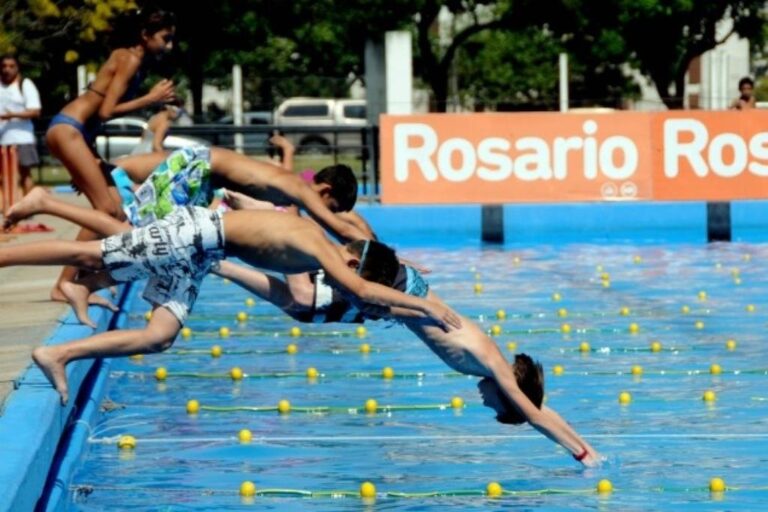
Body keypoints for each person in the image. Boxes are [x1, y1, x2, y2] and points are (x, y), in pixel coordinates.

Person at [0, 207, 461, 406]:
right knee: (88, 255)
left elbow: (370, 269)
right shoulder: (322, 250)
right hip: (193, 234)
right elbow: (364, 294)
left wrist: (405, 270)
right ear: (354, 263)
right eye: (356, 273)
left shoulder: (339, 249)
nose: (349, 283)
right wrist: (423, 308)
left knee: (158, 337)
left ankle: (57, 354)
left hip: (202, 254)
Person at [210, 261, 601, 467]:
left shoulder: (491, 365)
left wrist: (585, 444)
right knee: (302, 296)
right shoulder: (492, 365)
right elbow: (534, 414)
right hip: (397, 293)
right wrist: (581, 456)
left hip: (398, 298)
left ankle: (222, 264)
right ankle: (280, 232)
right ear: (510, 396)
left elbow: (540, 408)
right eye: (500, 408)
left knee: (304, 310)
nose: (487, 406)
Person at [46, 7, 177, 305]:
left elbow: (97, 115)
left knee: (116, 209)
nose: (169, 46)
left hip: (77, 135)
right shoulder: (129, 58)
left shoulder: (135, 60)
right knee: (104, 210)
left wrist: (87, 159)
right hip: (69, 130)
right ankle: (64, 284)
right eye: (165, 38)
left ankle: (82, 279)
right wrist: (150, 99)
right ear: (145, 35)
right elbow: (106, 111)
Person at [0, 54, 41, 198]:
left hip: (22, 138)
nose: (7, 70)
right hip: (2, 138)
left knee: (25, 174)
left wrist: (12, 116)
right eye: (4, 66)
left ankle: (29, 205)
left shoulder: (25, 84)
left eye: (11, 66)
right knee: (4, 175)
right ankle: (7, 205)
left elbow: (35, 111)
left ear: (17, 68)